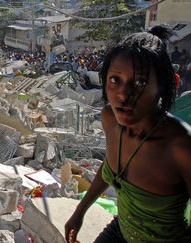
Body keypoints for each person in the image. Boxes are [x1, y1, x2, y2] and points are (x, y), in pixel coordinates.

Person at [65, 26, 191, 243]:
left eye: (140, 82)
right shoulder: (110, 120)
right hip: (121, 230)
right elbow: (109, 167)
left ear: (162, 86)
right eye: (115, 80)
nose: (123, 95)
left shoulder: (180, 146)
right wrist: (79, 213)